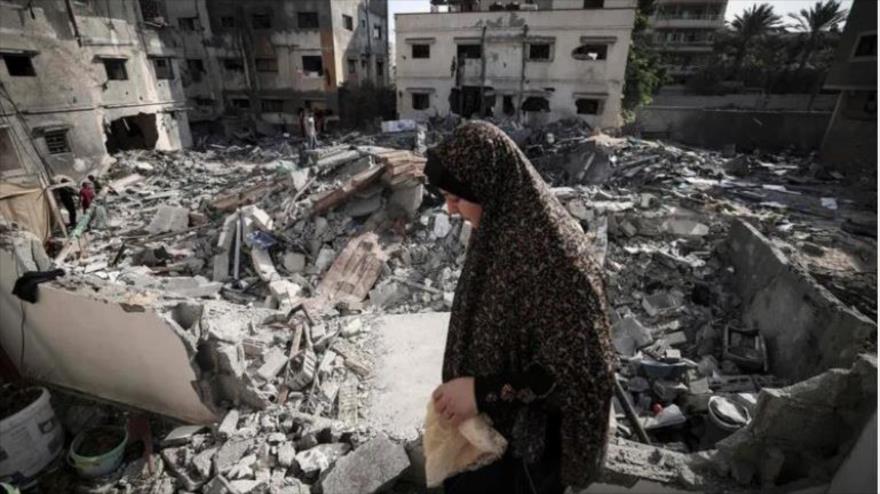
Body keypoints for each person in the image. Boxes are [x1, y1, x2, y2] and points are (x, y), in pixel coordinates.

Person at [426, 122, 615, 494]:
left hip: (525, 459)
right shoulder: (501, 228)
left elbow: (581, 371)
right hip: (490, 438)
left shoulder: (552, 257)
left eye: (456, 197)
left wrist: (482, 392)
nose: (449, 209)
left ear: (487, 186)